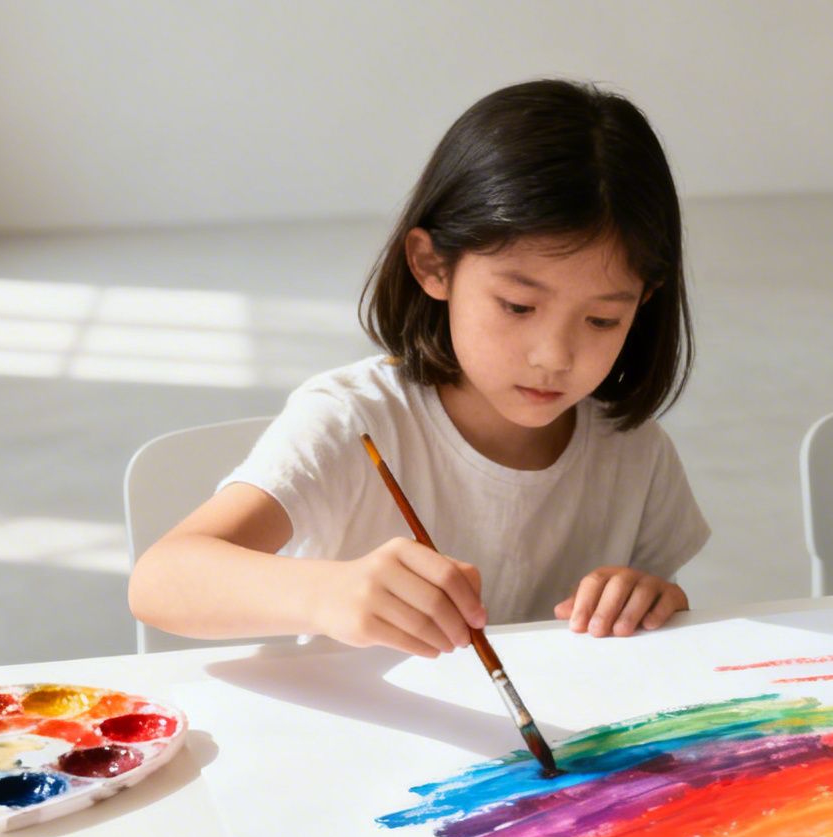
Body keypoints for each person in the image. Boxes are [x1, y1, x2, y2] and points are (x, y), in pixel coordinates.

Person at [130, 80, 709, 654]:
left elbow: (663, 610)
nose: (554, 356)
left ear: (645, 300)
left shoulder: (634, 450)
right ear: (432, 265)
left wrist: (653, 600)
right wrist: (330, 592)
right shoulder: (353, 420)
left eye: (602, 320)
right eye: (518, 306)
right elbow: (162, 580)